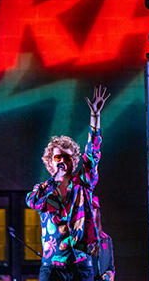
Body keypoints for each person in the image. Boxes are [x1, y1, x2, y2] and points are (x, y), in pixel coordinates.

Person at [26, 85, 110, 281]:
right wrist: (53, 182)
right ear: (49, 162)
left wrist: (95, 118)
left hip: (81, 263)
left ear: (74, 160)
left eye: (67, 157)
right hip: (53, 265)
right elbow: (32, 202)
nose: (62, 161)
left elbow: (93, 154)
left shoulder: (83, 182)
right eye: (57, 158)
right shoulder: (43, 189)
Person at [91, 196, 115, 281]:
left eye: (93, 210)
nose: (90, 213)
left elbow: (110, 267)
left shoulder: (106, 240)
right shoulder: (75, 239)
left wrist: (109, 274)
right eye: (87, 209)